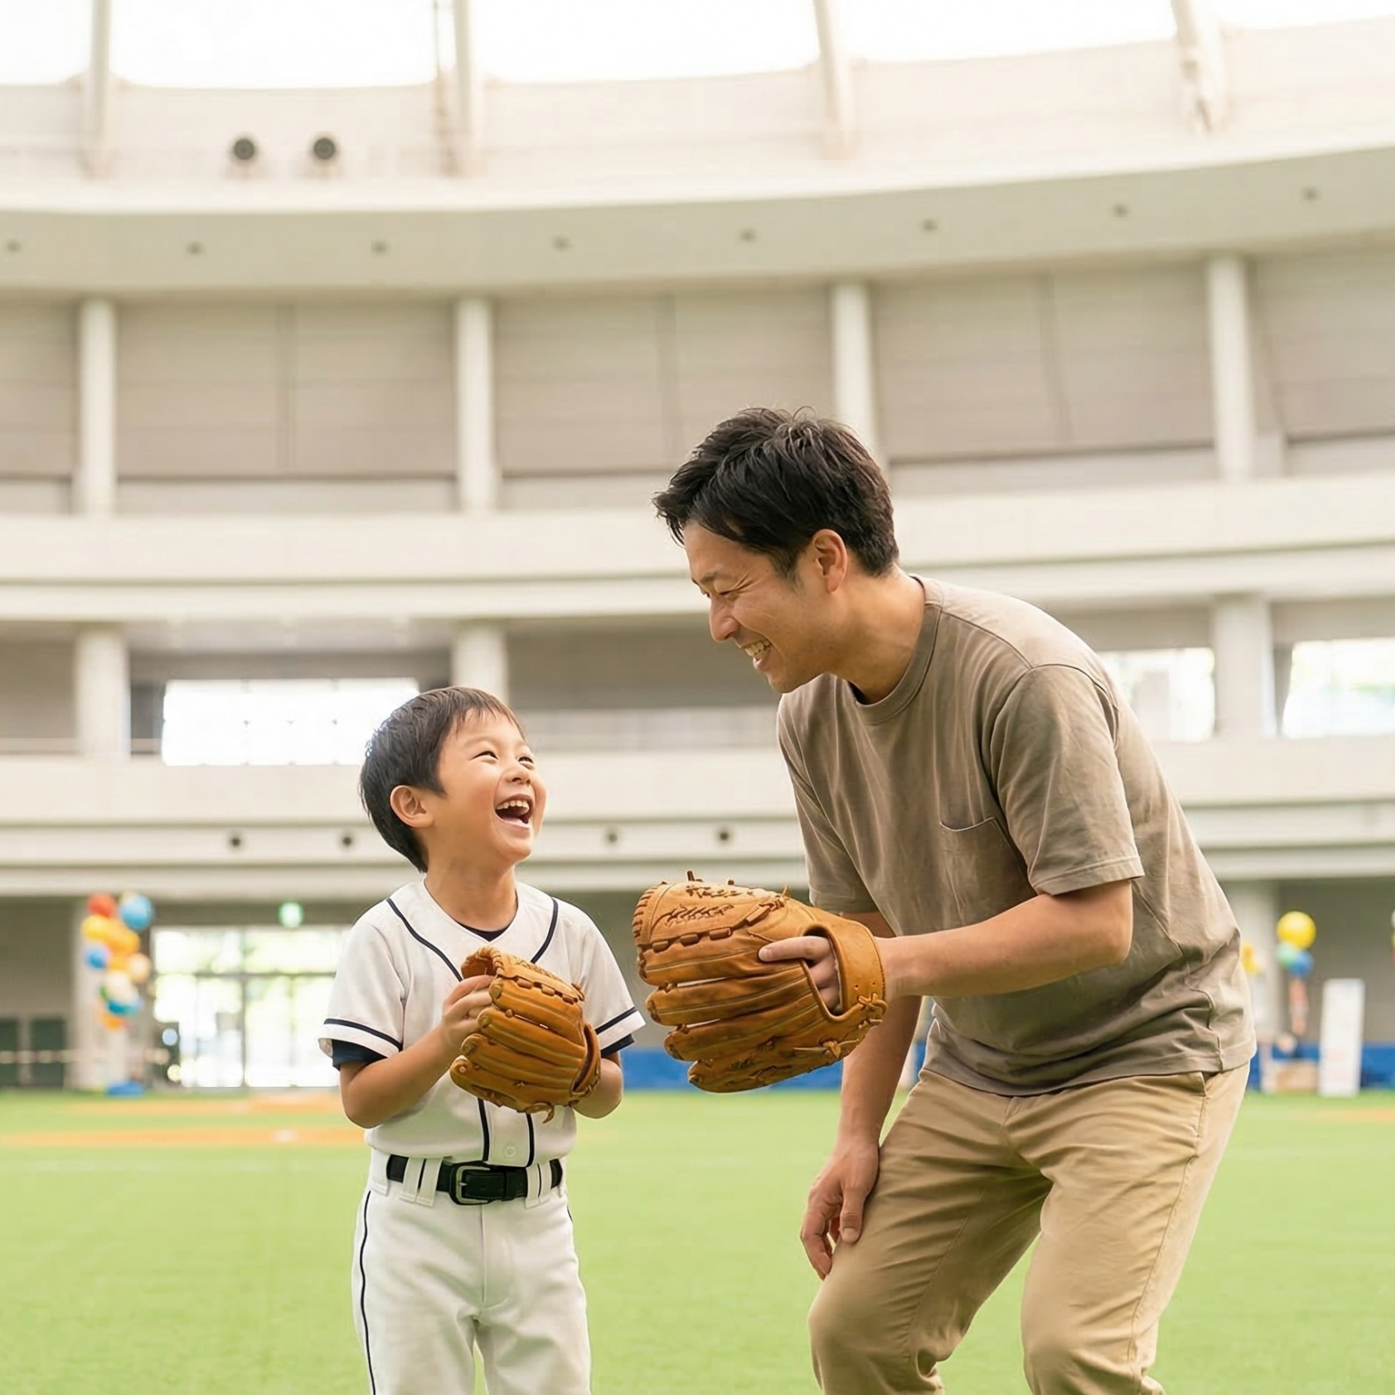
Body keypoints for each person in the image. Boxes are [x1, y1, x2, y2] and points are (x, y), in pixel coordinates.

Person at [653, 408, 1254, 1395]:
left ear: (826, 558)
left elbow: (1095, 922)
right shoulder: (809, 718)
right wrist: (856, 1134)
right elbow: (868, 937)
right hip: (979, 1067)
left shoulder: (1023, 677)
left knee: (1076, 1356)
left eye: (728, 590)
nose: (720, 624)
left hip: (1145, 1050)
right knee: (856, 1333)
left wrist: (878, 964)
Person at [320, 686, 644, 1395]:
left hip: (537, 1221)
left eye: (525, 755)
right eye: (487, 754)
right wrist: (445, 1042)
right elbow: (361, 1100)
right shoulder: (383, 935)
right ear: (416, 805)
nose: (519, 769)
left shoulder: (571, 930)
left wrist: (577, 1065)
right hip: (416, 1225)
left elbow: (608, 1094)